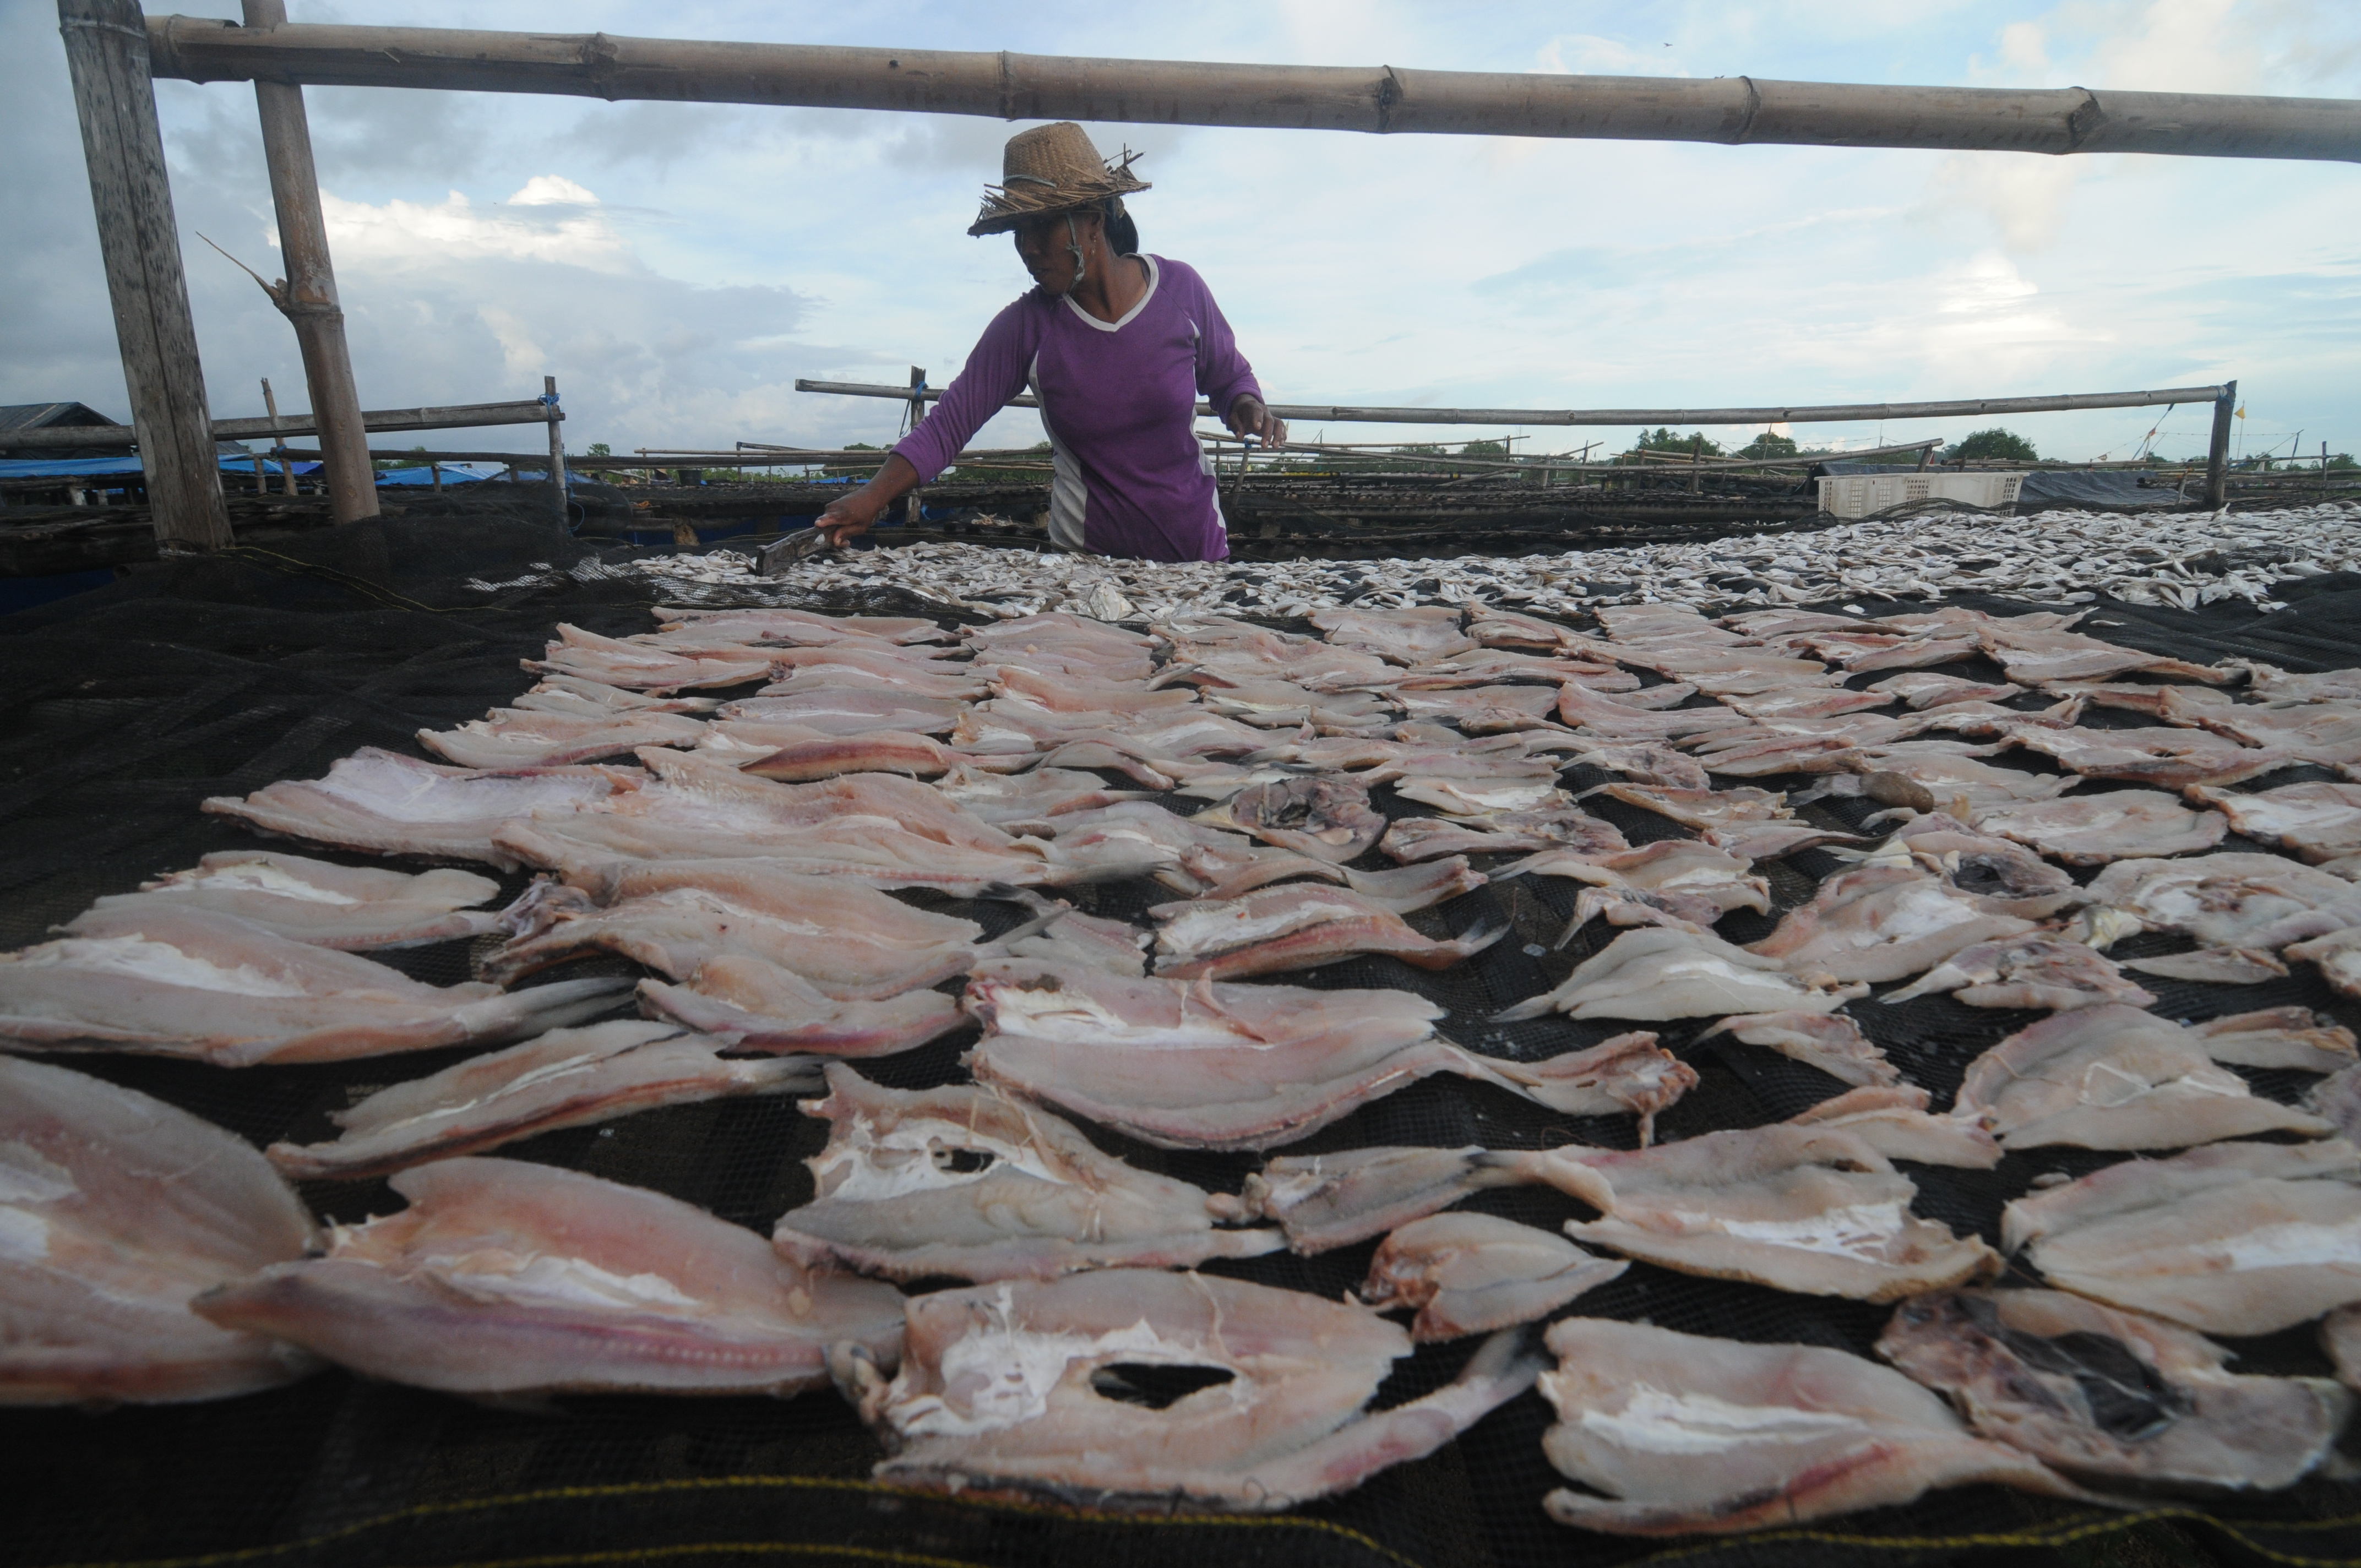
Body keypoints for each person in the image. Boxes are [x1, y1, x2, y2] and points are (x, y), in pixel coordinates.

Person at [813, 122, 1285, 562]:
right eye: (1020, 231)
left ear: (1093, 220)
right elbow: (949, 425)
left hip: (1198, 551)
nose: (1028, 247)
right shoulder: (1026, 327)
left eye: (1044, 226)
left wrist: (1247, 405)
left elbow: (1228, 377)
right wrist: (871, 497)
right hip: (1084, 563)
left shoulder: (1179, 290)